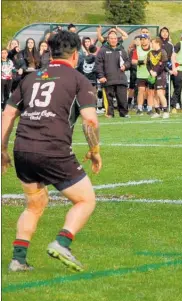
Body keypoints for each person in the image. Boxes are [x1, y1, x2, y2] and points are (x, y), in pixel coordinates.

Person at [1, 30, 102, 272]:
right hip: (53, 149)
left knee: (34, 204)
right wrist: (95, 150)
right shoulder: (79, 80)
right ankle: (62, 242)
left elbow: (8, 113)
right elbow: (90, 121)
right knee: (86, 200)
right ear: (75, 55)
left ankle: (18, 259)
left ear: (51, 51)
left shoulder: (30, 78)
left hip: (23, 148)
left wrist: (2, 149)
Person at [95, 31, 131, 118]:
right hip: (107, 79)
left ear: (117, 39)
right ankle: (109, 114)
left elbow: (128, 62)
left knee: (122, 99)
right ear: (108, 39)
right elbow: (98, 64)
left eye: (115, 38)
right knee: (108, 99)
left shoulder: (122, 50)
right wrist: (101, 76)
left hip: (121, 79)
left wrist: (125, 66)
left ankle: (124, 113)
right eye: (111, 38)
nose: (113, 40)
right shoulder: (102, 50)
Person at [131, 33, 154, 116]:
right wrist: (141, 62)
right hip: (141, 74)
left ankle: (150, 109)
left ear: (148, 40)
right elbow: (133, 61)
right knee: (141, 91)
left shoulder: (152, 49)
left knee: (150, 92)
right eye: (141, 39)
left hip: (150, 74)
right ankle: (139, 108)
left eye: (145, 39)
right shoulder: (137, 49)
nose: (143, 41)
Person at [147, 38, 169, 119]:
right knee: (154, 94)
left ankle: (166, 111)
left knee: (160, 93)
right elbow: (148, 64)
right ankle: (157, 112)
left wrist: (156, 72)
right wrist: (151, 72)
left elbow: (164, 64)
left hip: (160, 75)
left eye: (152, 42)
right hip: (152, 75)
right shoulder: (150, 53)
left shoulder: (162, 52)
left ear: (157, 43)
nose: (151, 44)